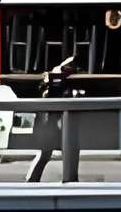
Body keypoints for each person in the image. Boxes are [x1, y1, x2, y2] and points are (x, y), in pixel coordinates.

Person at [23, 52, 83, 185]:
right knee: (49, 152)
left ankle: (33, 179)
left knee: (50, 152)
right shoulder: (58, 79)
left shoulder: (55, 79)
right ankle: (68, 178)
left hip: (53, 121)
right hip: (53, 121)